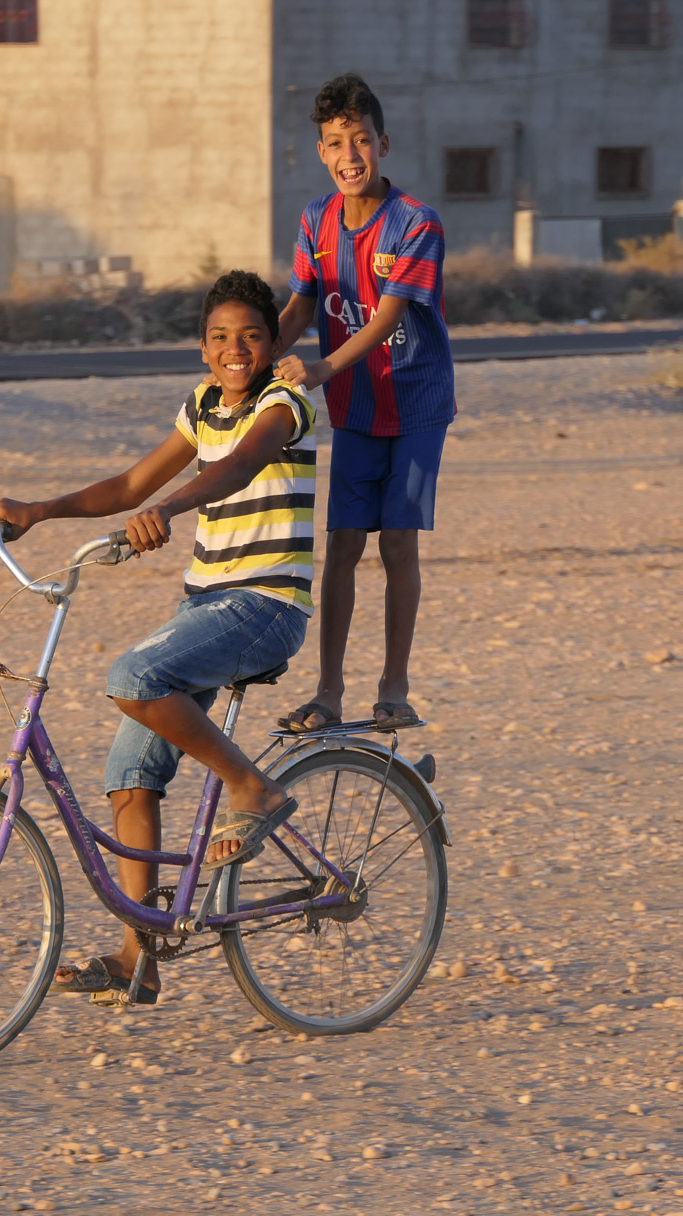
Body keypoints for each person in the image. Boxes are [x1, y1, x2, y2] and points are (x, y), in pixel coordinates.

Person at [0, 271, 316, 1004]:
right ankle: (138, 956)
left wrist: (171, 510)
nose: (236, 350)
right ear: (202, 348)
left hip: (265, 606)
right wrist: (41, 510)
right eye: (222, 338)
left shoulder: (283, 404)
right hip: (205, 606)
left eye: (252, 337)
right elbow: (132, 485)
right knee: (128, 776)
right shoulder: (202, 405)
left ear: (271, 346)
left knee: (132, 676)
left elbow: (238, 467)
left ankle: (251, 787)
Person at [270, 72, 456, 733]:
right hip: (353, 408)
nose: (349, 155)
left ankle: (394, 688)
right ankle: (327, 693)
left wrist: (318, 368)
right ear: (321, 152)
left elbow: (384, 319)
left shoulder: (415, 224)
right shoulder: (314, 220)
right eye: (334, 143)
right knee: (343, 543)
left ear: (383, 142)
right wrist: (253, 357)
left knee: (399, 544)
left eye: (360, 140)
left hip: (414, 404)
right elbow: (299, 305)